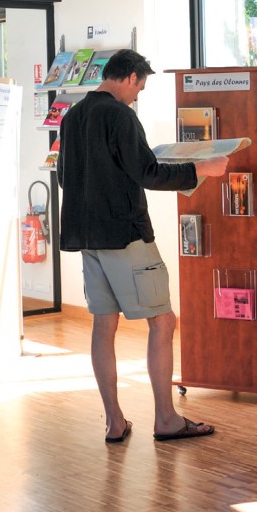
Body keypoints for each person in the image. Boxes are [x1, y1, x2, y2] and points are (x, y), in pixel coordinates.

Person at [57, 49, 228, 444]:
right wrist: (202, 168)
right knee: (163, 322)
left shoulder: (72, 117)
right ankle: (166, 419)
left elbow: (66, 178)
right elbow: (148, 173)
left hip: (87, 238)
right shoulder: (120, 115)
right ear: (131, 77)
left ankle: (114, 422)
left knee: (103, 324)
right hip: (125, 235)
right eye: (140, 88)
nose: (137, 96)